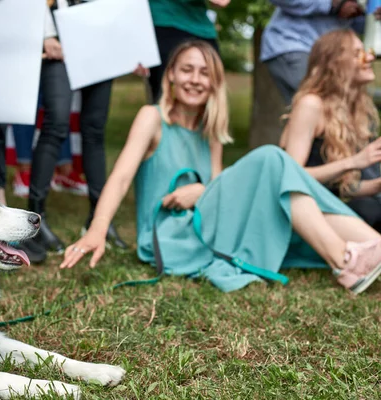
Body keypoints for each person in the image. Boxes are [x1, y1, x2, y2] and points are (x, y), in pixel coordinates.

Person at [60, 40, 381, 294]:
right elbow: (121, 177)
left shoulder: (210, 129)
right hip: (170, 235)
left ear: (214, 82)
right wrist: (98, 229)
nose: (195, 80)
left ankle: (371, 246)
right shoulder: (152, 117)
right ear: (170, 74)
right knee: (272, 159)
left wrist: (203, 191)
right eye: (187, 70)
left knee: (283, 191)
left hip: (209, 224)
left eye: (204, 73)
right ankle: (344, 261)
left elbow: (217, 193)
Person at [26, 0, 127, 254]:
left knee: (94, 130)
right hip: (58, 35)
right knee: (56, 124)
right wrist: (46, 33)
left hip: (101, 40)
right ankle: (35, 220)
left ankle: (99, 219)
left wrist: (131, 45)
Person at [281, 29, 381, 232]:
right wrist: (353, 162)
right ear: (335, 63)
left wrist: (377, 185)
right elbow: (291, 176)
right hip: (308, 214)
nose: (370, 57)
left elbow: (337, 188)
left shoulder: (358, 106)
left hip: (335, 204)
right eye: (357, 53)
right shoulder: (311, 105)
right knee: (371, 210)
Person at [261, 0, 365, 105]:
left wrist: (367, 14)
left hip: (327, 55)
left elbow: (357, 25)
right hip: (294, 44)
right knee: (319, 103)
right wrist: (331, 4)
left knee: (338, 108)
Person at [137, 0, 230, 103]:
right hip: (163, 23)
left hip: (201, 28)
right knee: (166, 103)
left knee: (212, 103)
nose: (195, 80)